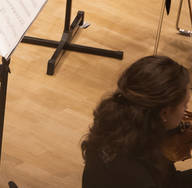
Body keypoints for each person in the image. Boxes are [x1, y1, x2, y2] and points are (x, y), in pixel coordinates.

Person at [81, 55, 192, 187]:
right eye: (184, 105)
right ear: (164, 113)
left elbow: (169, 182)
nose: (186, 111)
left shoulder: (118, 126)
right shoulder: (136, 172)